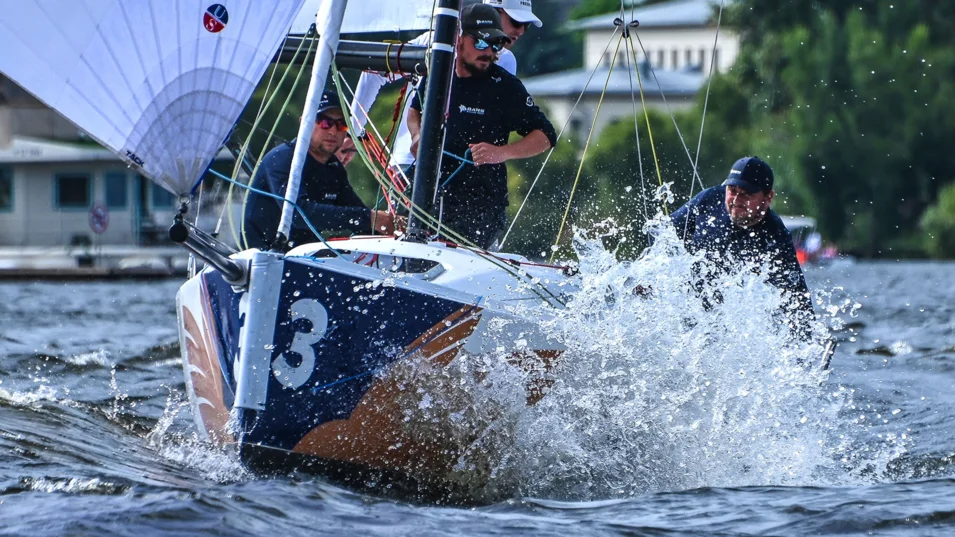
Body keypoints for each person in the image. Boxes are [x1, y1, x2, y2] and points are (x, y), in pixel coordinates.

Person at [407, 4, 557, 249]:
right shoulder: (438, 74)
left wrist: (502, 152)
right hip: (424, 191)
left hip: (478, 204)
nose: (488, 51)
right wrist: (417, 136)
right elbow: (415, 109)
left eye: (496, 44)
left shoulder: (505, 86)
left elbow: (546, 135)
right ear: (458, 39)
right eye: (480, 43)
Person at [347, 1, 541, 175]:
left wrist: (501, 153)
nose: (521, 31)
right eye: (516, 22)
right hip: (411, 163)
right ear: (493, 12)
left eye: (527, 25)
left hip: (469, 174)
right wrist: (351, 134)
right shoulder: (433, 42)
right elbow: (373, 72)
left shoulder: (506, 61)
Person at [670, 156, 814, 337]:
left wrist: (806, 345)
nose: (737, 199)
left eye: (747, 194)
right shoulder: (708, 199)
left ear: (768, 197)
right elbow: (663, 234)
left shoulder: (775, 238)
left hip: (722, 323)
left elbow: (797, 300)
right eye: (732, 190)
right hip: (682, 303)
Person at [242, 92, 397, 250]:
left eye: (341, 124)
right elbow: (297, 214)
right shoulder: (282, 159)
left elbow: (359, 216)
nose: (333, 131)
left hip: (305, 259)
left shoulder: (333, 167)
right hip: (264, 258)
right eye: (325, 122)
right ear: (304, 123)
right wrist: (368, 218)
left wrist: (392, 230)